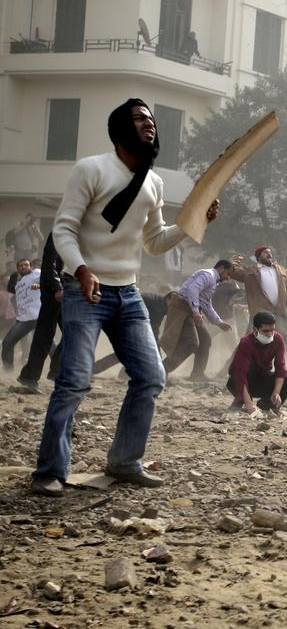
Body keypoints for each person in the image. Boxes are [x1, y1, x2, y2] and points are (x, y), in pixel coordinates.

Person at [31, 98, 220, 497]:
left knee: (152, 377)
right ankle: (49, 470)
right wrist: (81, 269)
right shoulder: (91, 169)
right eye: (139, 118)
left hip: (127, 293)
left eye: (151, 119)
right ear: (120, 129)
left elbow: (154, 242)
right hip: (86, 291)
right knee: (74, 382)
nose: (149, 124)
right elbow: (63, 230)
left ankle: (124, 462)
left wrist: (193, 222)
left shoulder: (153, 182)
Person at [159, 260, 233, 381]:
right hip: (182, 308)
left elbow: (206, 305)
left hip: (191, 311)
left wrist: (219, 322)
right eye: (228, 274)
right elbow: (192, 289)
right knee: (191, 343)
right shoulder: (208, 275)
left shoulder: (213, 281)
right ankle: (161, 371)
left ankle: (197, 374)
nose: (228, 278)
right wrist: (195, 310)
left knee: (205, 340)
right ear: (221, 268)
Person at [227, 311, 287, 414]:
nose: (270, 334)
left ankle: (266, 405)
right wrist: (248, 403)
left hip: (263, 378)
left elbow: (280, 368)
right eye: (265, 331)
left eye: (272, 330)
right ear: (255, 330)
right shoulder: (246, 342)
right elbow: (239, 374)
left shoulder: (278, 339)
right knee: (249, 370)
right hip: (240, 382)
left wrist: (276, 393)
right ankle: (241, 399)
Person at [16, 235, 63, 391]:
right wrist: (57, 286)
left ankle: (55, 371)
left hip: (66, 287)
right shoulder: (61, 228)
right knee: (45, 333)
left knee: (72, 331)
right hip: (54, 290)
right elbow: (50, 261)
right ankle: (31, 376)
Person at [92, 291, 170, 376]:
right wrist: (158, 354)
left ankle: (122, 373)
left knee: (130, 351)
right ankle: (95, 370)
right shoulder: (159, 307)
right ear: (168, 298)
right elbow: (153, 331)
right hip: (122, 317)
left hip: (122, 316)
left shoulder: (158, 302)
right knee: (128, 351)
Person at [228, 246, 287, 330]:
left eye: (270, 252)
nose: (269, 254)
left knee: (283, 340)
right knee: (255, 340)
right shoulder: (250, 271)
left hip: (279, 312)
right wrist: (233, 263)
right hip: (260, 312)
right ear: (258, 257)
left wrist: (286, 303)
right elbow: (233, 273)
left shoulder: (282, 270)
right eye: (265, 252)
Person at [2, 258, 40, 371]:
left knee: (46, 344)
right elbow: (10, 289)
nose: (23, 267)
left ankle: (60, 368)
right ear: (18, 269)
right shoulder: (18, 284)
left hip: (37, 316)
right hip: (23, 319)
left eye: (26, 265)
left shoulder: (36, 273)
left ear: (31, 267)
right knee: (7, 343)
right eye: (21, 266)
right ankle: (8, 371)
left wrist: (39, 283)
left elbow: (49, 278)